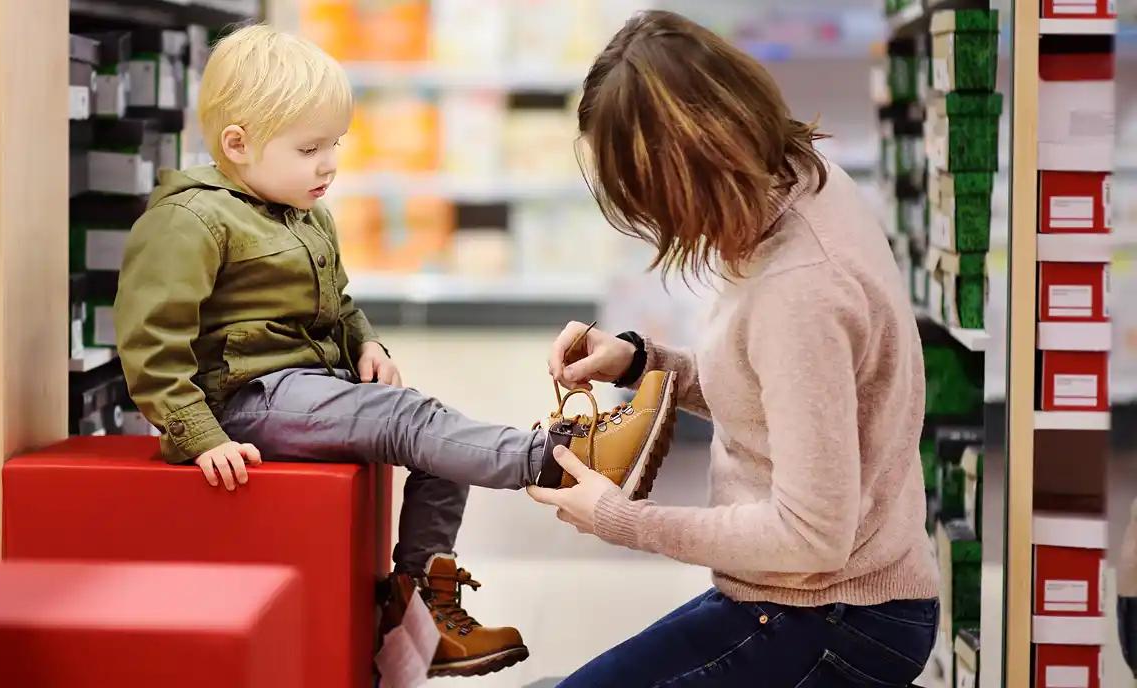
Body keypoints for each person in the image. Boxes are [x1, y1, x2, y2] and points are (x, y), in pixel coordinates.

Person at [112, 24, 680, 678]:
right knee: (410, 423)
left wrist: (367, 344)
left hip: (307, 390)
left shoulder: (304, 213)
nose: (329, 164)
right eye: (309, 148)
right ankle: (560, 455)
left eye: (335, 146)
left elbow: (339, 303)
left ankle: (419, 609)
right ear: (238, 144)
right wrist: (201, 436)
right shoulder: (191, 220)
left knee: (436, 440)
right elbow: (152, 343)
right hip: (244, 404)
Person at [527, 10, 941, 687]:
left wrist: (620, 519)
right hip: (809, 596)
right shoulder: (803, 181)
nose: (656, 220)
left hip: (837, 617)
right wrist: (642, 360)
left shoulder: (800, 288)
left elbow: (810, 537)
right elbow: (779, 396)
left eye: (651, 196)